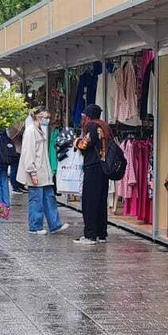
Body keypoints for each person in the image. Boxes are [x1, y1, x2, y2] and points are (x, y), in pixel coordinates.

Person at [17, 109, 66, 235]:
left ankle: (55, 224)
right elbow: (28, 153)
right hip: (36, 172)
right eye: (45, 117)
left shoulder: (40, 131)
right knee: (36, 200)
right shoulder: (30, 131)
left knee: (49, 198)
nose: (47, 120)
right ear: (38, 117)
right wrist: (32, 172)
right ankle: (35, 226)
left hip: (44, 173)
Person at [76, 104, 110, 244]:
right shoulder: (105, 126)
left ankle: (90, 235)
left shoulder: (91, 126)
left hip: (93, 167)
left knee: (90, 201)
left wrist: (76, 142)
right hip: (103, 168)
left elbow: (85, 144)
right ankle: (102, 233)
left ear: (88, 115)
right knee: (101, 201)